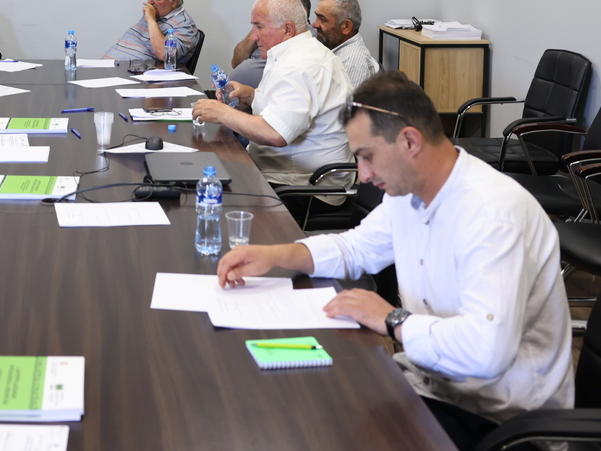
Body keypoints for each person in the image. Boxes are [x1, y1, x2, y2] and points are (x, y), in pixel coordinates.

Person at [216, 71, 573, 450]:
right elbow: (356, 248)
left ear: (410, 141)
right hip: (437, 388)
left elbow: (485, 352)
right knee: (307, 401)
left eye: (367, 156)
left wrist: (392, 319)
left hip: (503, 423)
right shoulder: (411, 192)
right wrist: (274, 254)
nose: (364, 174)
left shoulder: (492, 215)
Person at [190, 0, 351, 186]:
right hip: (285, 174)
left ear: (288, 29)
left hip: (299, 187)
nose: (253, 37)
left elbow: (276, 133)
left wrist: (223, 113)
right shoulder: (299, 52)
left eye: (259, 27)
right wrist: (249, 95)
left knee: (200, 181)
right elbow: (284, 107)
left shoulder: (298, 65)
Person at [227, 0, 311, 91]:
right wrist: (250, 95)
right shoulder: (268, 34)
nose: (253, 37)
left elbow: (278, 101)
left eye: (280, 4)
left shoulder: (293, 67)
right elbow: (236, 62)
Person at [104, 0, 199, 65]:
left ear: (174, 1)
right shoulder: (156, 13)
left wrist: (151, 20)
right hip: (108, 67)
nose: (149, 1)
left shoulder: (185, 25)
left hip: (134, 73)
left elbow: (164, 55)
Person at [312, 0, 380, 88]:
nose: (314, 24)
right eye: (316, 17)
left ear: (346, 27)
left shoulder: (352, 64)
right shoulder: (331, 47)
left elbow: (346, 99)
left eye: (322, 19)